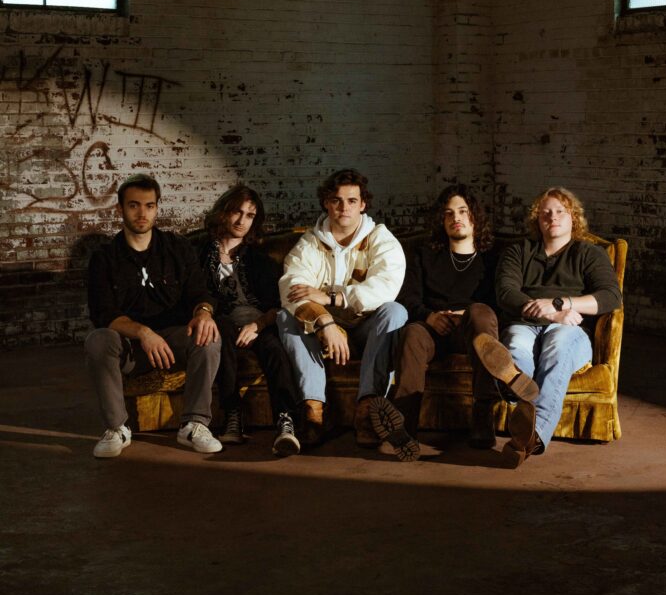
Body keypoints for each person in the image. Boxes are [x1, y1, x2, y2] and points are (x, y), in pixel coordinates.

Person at [369, 184, 538, 461]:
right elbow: (408, 298)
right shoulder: (423, 254)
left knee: (481, 312)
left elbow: (503, 301)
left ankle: (483, 413)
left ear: (474, 217)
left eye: (462, 211)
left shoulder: (493, 257)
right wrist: (429, 317)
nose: (455, 218)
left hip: (474, 331)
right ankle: (404, 427)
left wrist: (465, 314)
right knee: (411, 333)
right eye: (448, 213)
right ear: (441, 220)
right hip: (433, 330)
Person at [480, 186, 622, 467]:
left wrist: (560, 304)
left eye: (560, 212)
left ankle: (527, 419)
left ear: (573, 218)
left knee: (556, 348)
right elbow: (506, 292)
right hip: (525, 324)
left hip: (570, 329)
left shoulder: (589, 253)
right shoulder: (519, 251)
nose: (552, 217)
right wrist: (550, 314)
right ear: (537, 220)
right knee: (516, 347)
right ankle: (526, 426)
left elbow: (610, 297)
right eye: (545, 213)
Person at [85, 174, 222, 458]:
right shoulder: (104, 258)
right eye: (134, 205)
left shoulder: (177, 248)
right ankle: (116, 428)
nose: (142, 213)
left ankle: (194, 425)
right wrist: (144, 333)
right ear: (119, 209)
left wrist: (204, 314)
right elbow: (104, 314)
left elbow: (200, 293)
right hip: (130, 346)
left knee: (209, 336)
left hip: (174, 340)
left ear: (157, 208)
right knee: (99, 339)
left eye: (149, 206)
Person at [277, 168, 407, 448]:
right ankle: (313, 414)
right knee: (285, 317)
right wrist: (325, 322)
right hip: (322, 333)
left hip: (366, 328)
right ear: (326, 202)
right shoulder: (310, 243)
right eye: (337, 200)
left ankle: (367, 412)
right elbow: (292, 289)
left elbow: (385, 288)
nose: (343, 207)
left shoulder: (381, 240)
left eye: (351, 201)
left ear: (363, 204)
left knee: (396, 311)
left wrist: (332, 298)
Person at [196, 185, 301, 457]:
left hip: (259, 323)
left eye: (250, 215)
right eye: (236, 212)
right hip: (222, 323)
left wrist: (259, 325)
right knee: (223, 331)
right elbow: (193, 294)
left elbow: (279, 305)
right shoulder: (198, 254)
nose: (242, 220)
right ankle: (232, 414)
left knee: (275, 349)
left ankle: (285, 420)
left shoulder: (259, 259)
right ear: (223, 212)